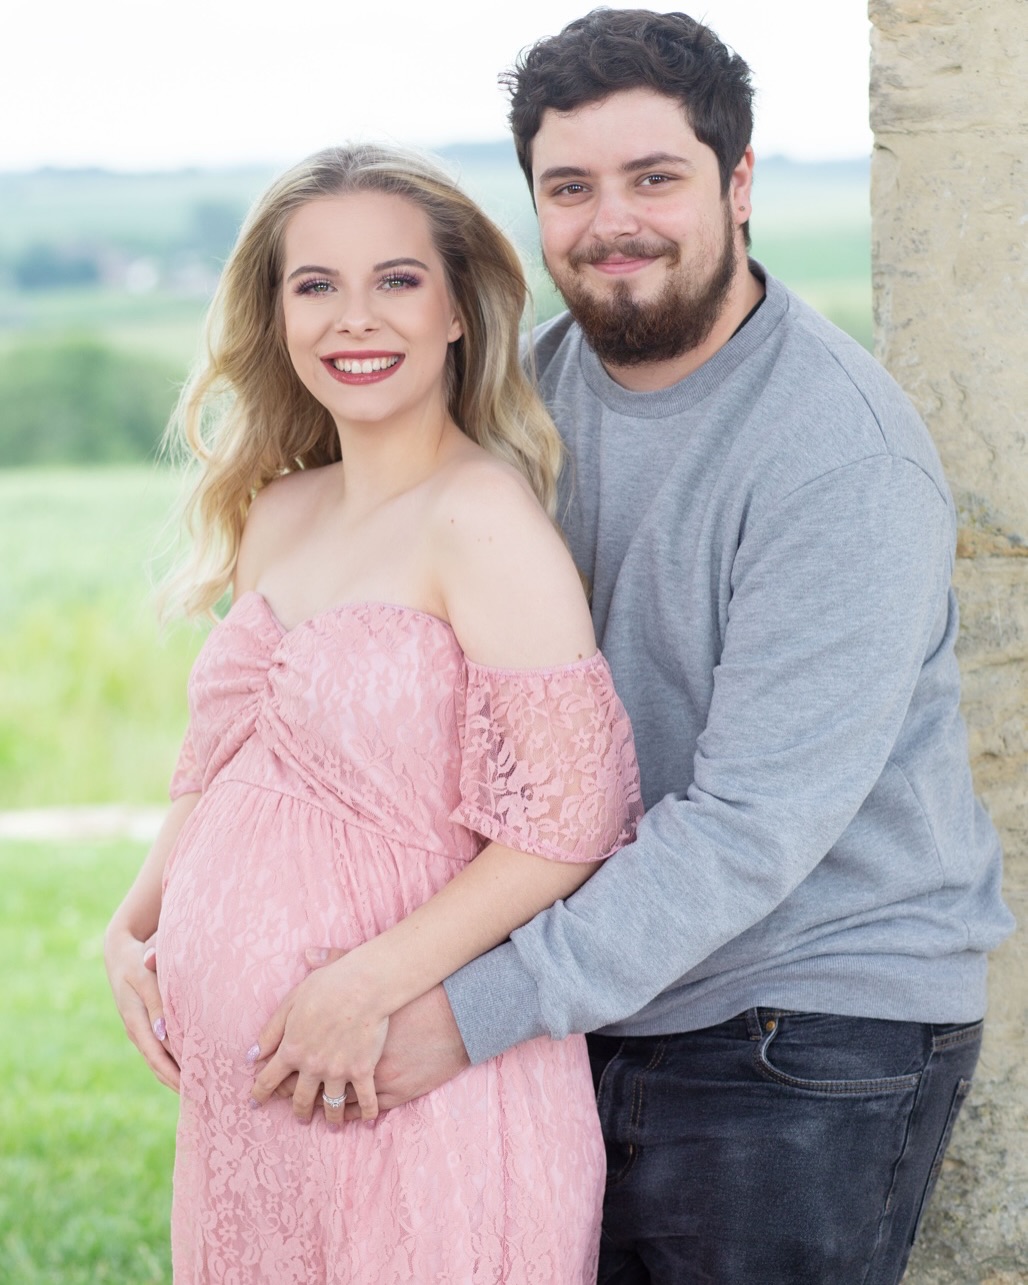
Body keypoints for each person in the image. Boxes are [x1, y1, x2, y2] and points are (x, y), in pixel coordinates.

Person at [316, 11, 1015, 1285]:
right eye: (569, 187)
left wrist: (462, 1013)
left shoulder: (835, 455)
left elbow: (748, 825)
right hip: (592, 993)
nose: (610, 222)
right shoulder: (524, 402)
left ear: (736, 184)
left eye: (654, 178)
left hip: (799, 1025)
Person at [103, 142, 642, 1283]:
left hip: (403, 1086)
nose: (356, 318)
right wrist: (137, 919)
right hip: (250, 1107)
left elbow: (572, 819)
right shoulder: (278, 513)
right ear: (277, 314)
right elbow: (223, 758)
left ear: (457, 308)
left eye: (396, 280)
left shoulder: (480, 520)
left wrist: (365, 983)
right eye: (317, 285)